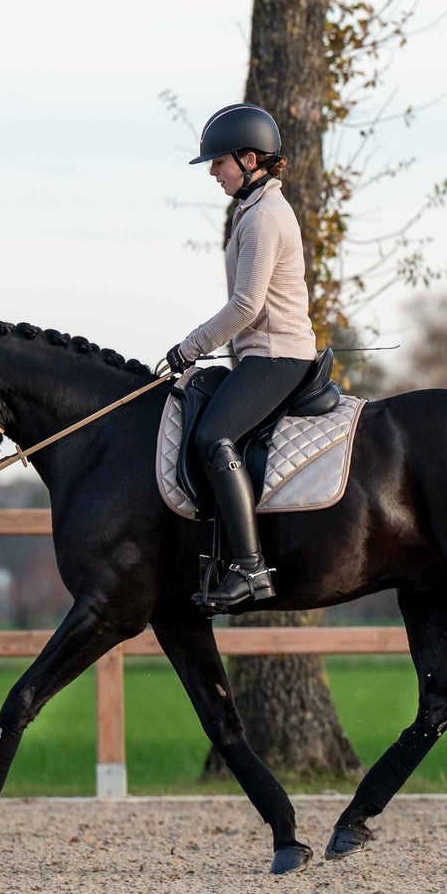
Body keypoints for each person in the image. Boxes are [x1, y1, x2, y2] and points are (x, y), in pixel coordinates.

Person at [158, 103, 319, 609]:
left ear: (249, 159)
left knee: (213, 436)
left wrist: (191, 347)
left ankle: (251, 570)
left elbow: (247, 306)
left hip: (277, 356)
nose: (213, 171)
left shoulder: (266, 216)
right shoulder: (252, 210)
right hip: (260, 355)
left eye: (219, 162)